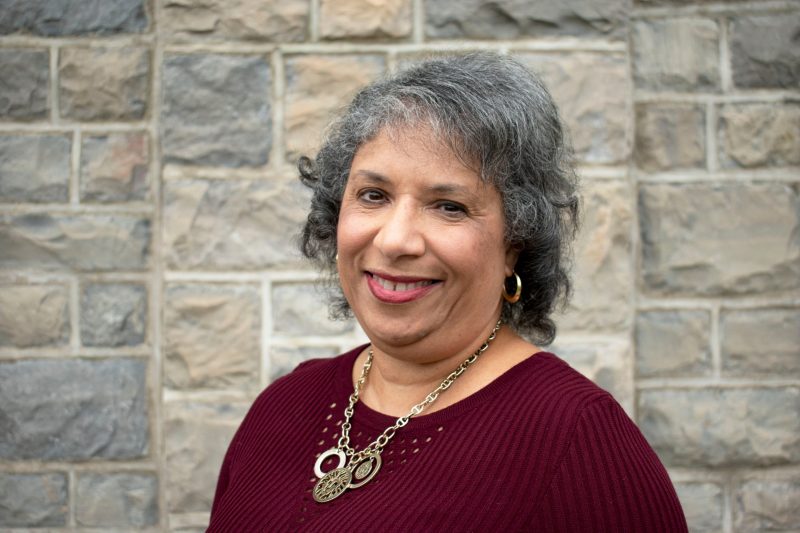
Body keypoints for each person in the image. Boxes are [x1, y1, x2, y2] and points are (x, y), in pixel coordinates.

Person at [208, 52, 687, 532]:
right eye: (373, 195)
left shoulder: (580, 441)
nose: (395, 241)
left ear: (514, 244)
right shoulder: (284, 405)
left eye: (449, 207)